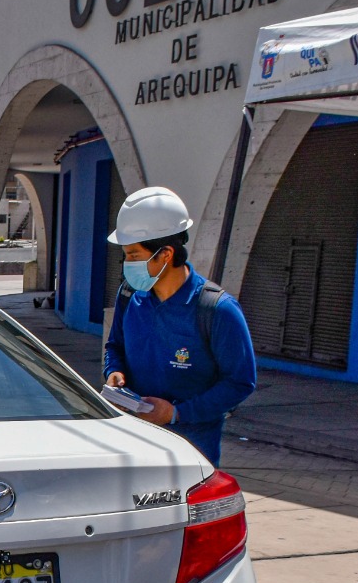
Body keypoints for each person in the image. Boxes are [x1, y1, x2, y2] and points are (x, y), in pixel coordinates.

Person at [102, 186, 257, 466]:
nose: (127, 264)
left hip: (191, 456)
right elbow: (115, 346)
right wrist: (114, 372)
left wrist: (176, 413)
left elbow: (240, 383)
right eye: (125, 256)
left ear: (165, 254)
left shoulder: (217, 310)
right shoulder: (129, 296)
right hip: (135, 446)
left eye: (134, 256)